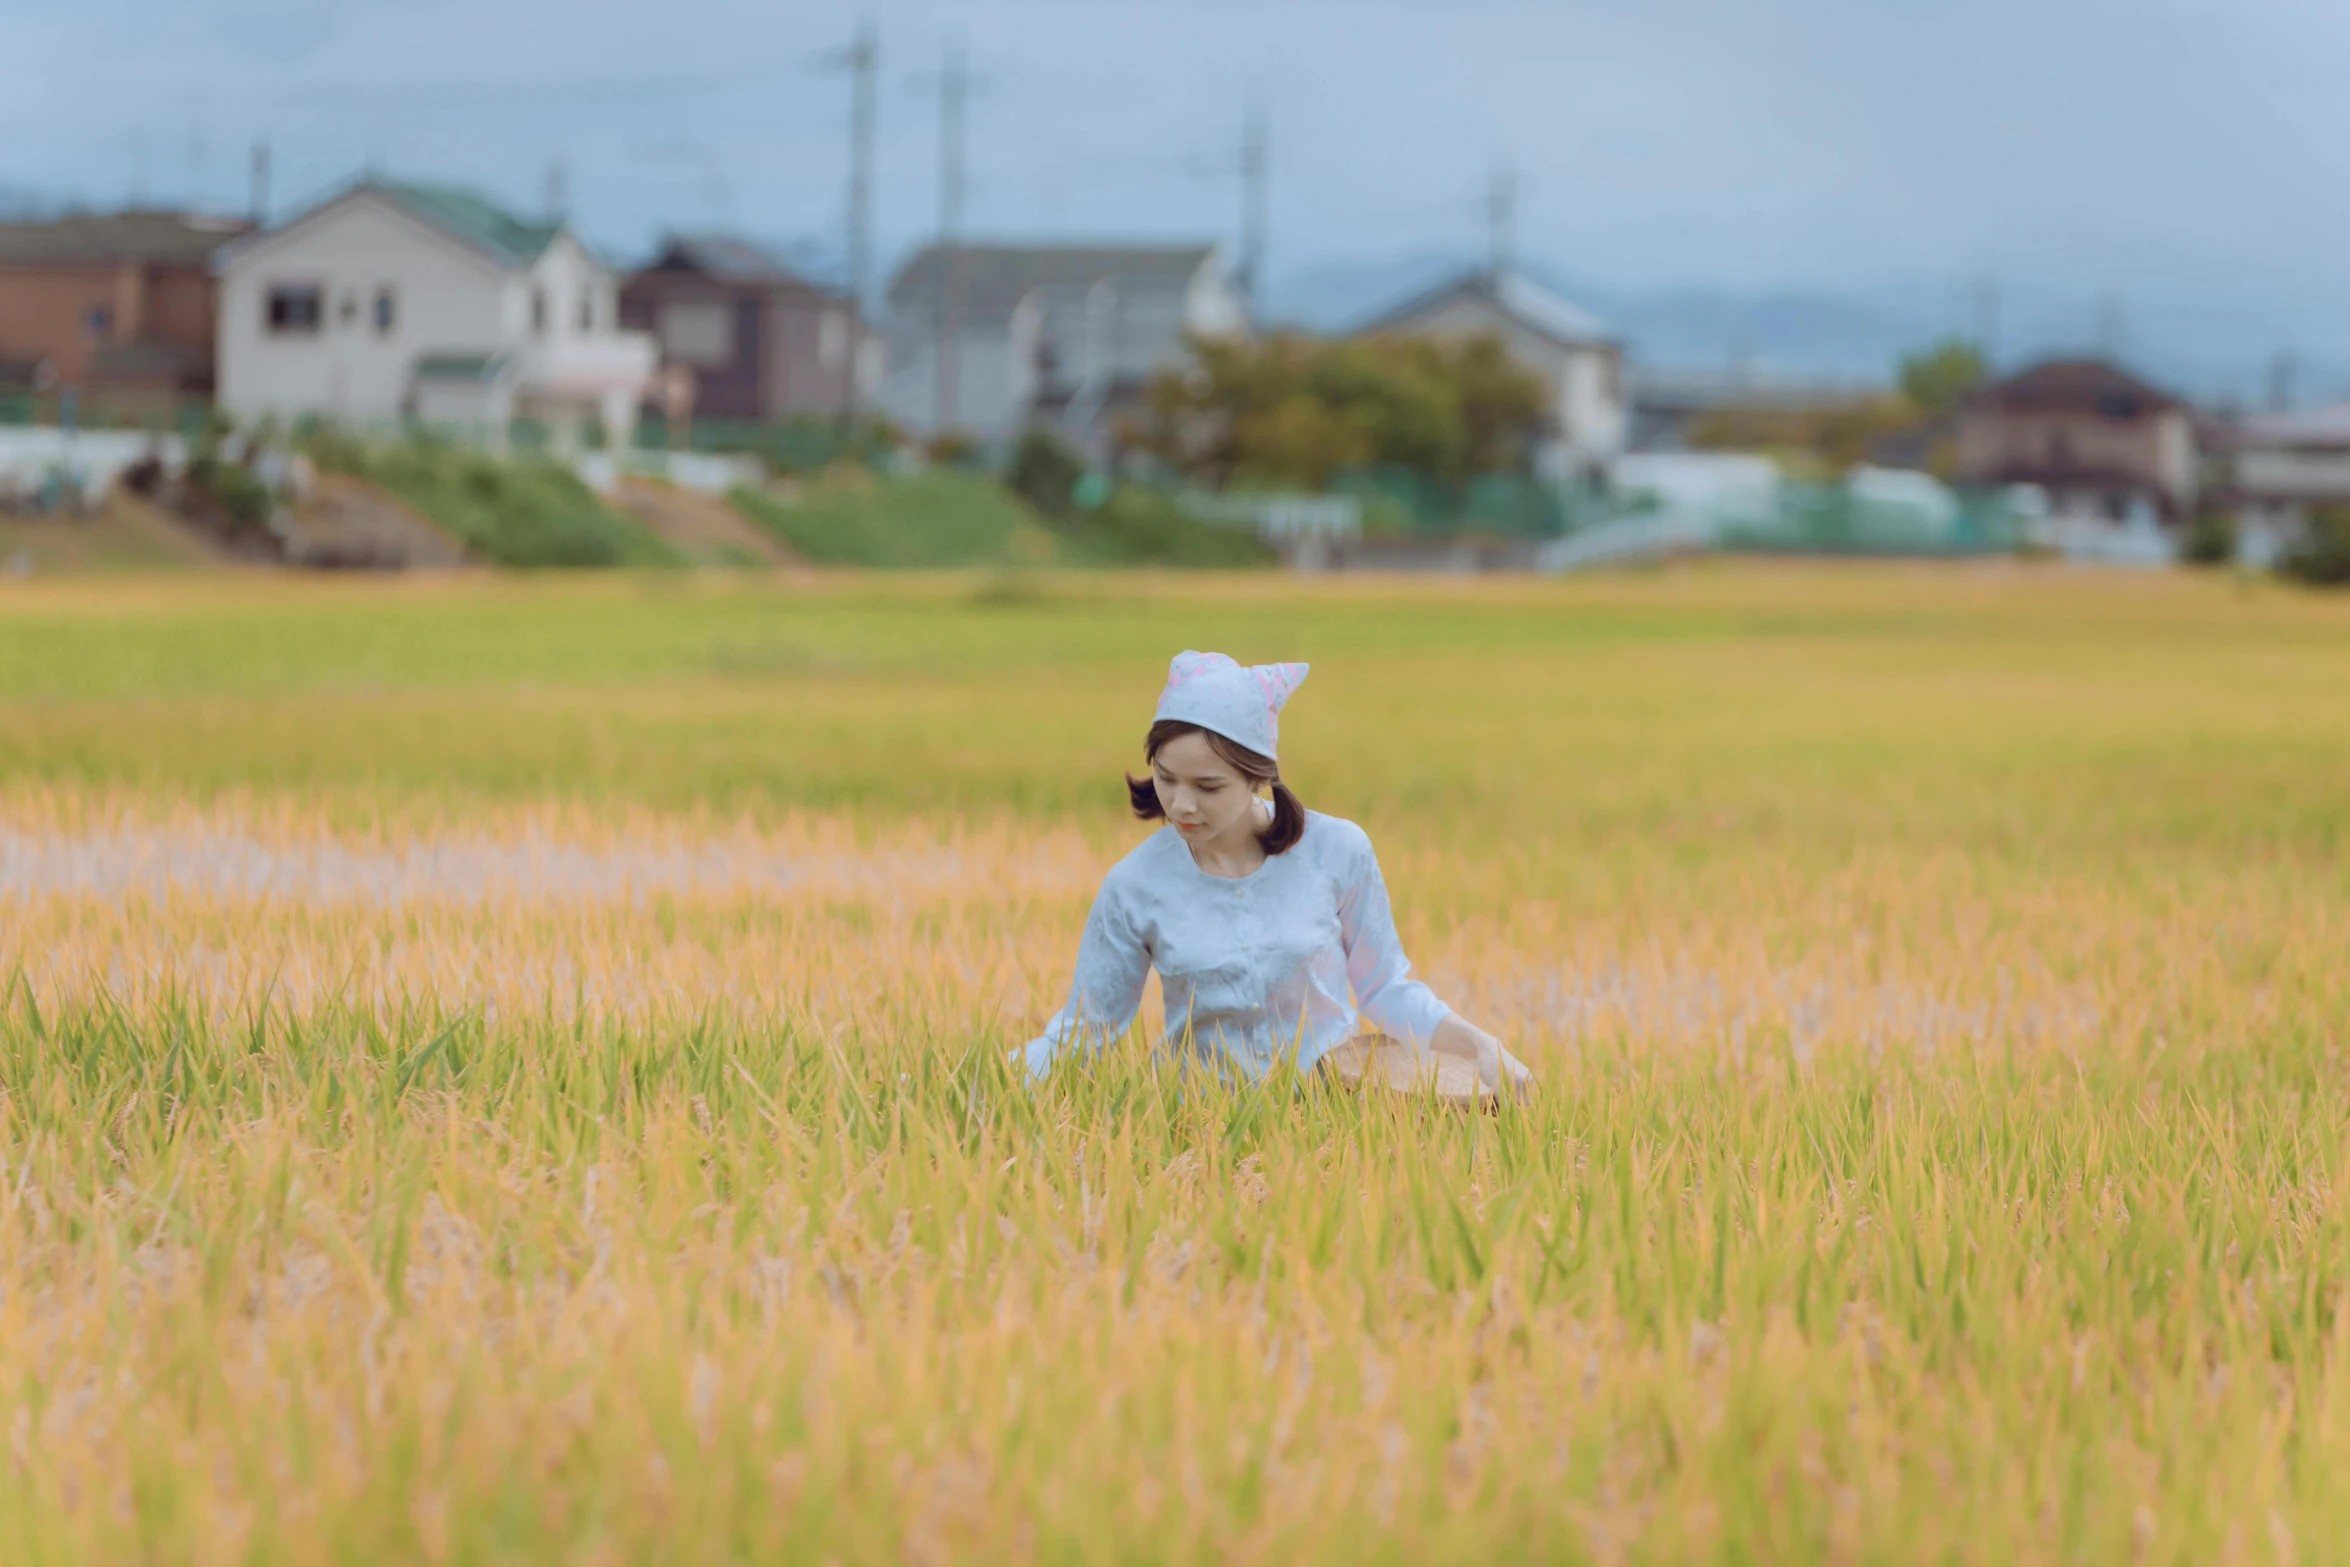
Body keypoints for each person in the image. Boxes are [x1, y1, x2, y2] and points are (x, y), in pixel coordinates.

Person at [1018, 650, 1535, 1101]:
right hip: (1197, 1124)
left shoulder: (1337, 851)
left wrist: (1480, 1048)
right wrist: (983, 1088)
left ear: (1258, 776)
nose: (1180, 804)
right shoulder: (1134, 885)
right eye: (1166, 778)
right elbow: (1088, 1033)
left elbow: (1386, 989)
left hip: (1336, 1111)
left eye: (1208, 786)